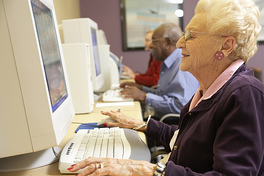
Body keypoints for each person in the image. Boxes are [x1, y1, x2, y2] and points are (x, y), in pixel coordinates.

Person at [67, 0, 264, 175]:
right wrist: (139, 124)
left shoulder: (244, 94)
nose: (179, 43)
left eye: (191, 36)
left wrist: (146, 169)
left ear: (226, 46)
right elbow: (186, 140)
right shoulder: (212, 89)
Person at [120, 22, 199, 120]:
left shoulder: (182, 64)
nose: (151, 45)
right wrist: (141, 88)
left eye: (154, 40)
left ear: (167, 43)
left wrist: (144, 96)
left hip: (172, 125)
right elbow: (164, 95)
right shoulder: (168, 63)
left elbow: (180, 105)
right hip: (163, 119)